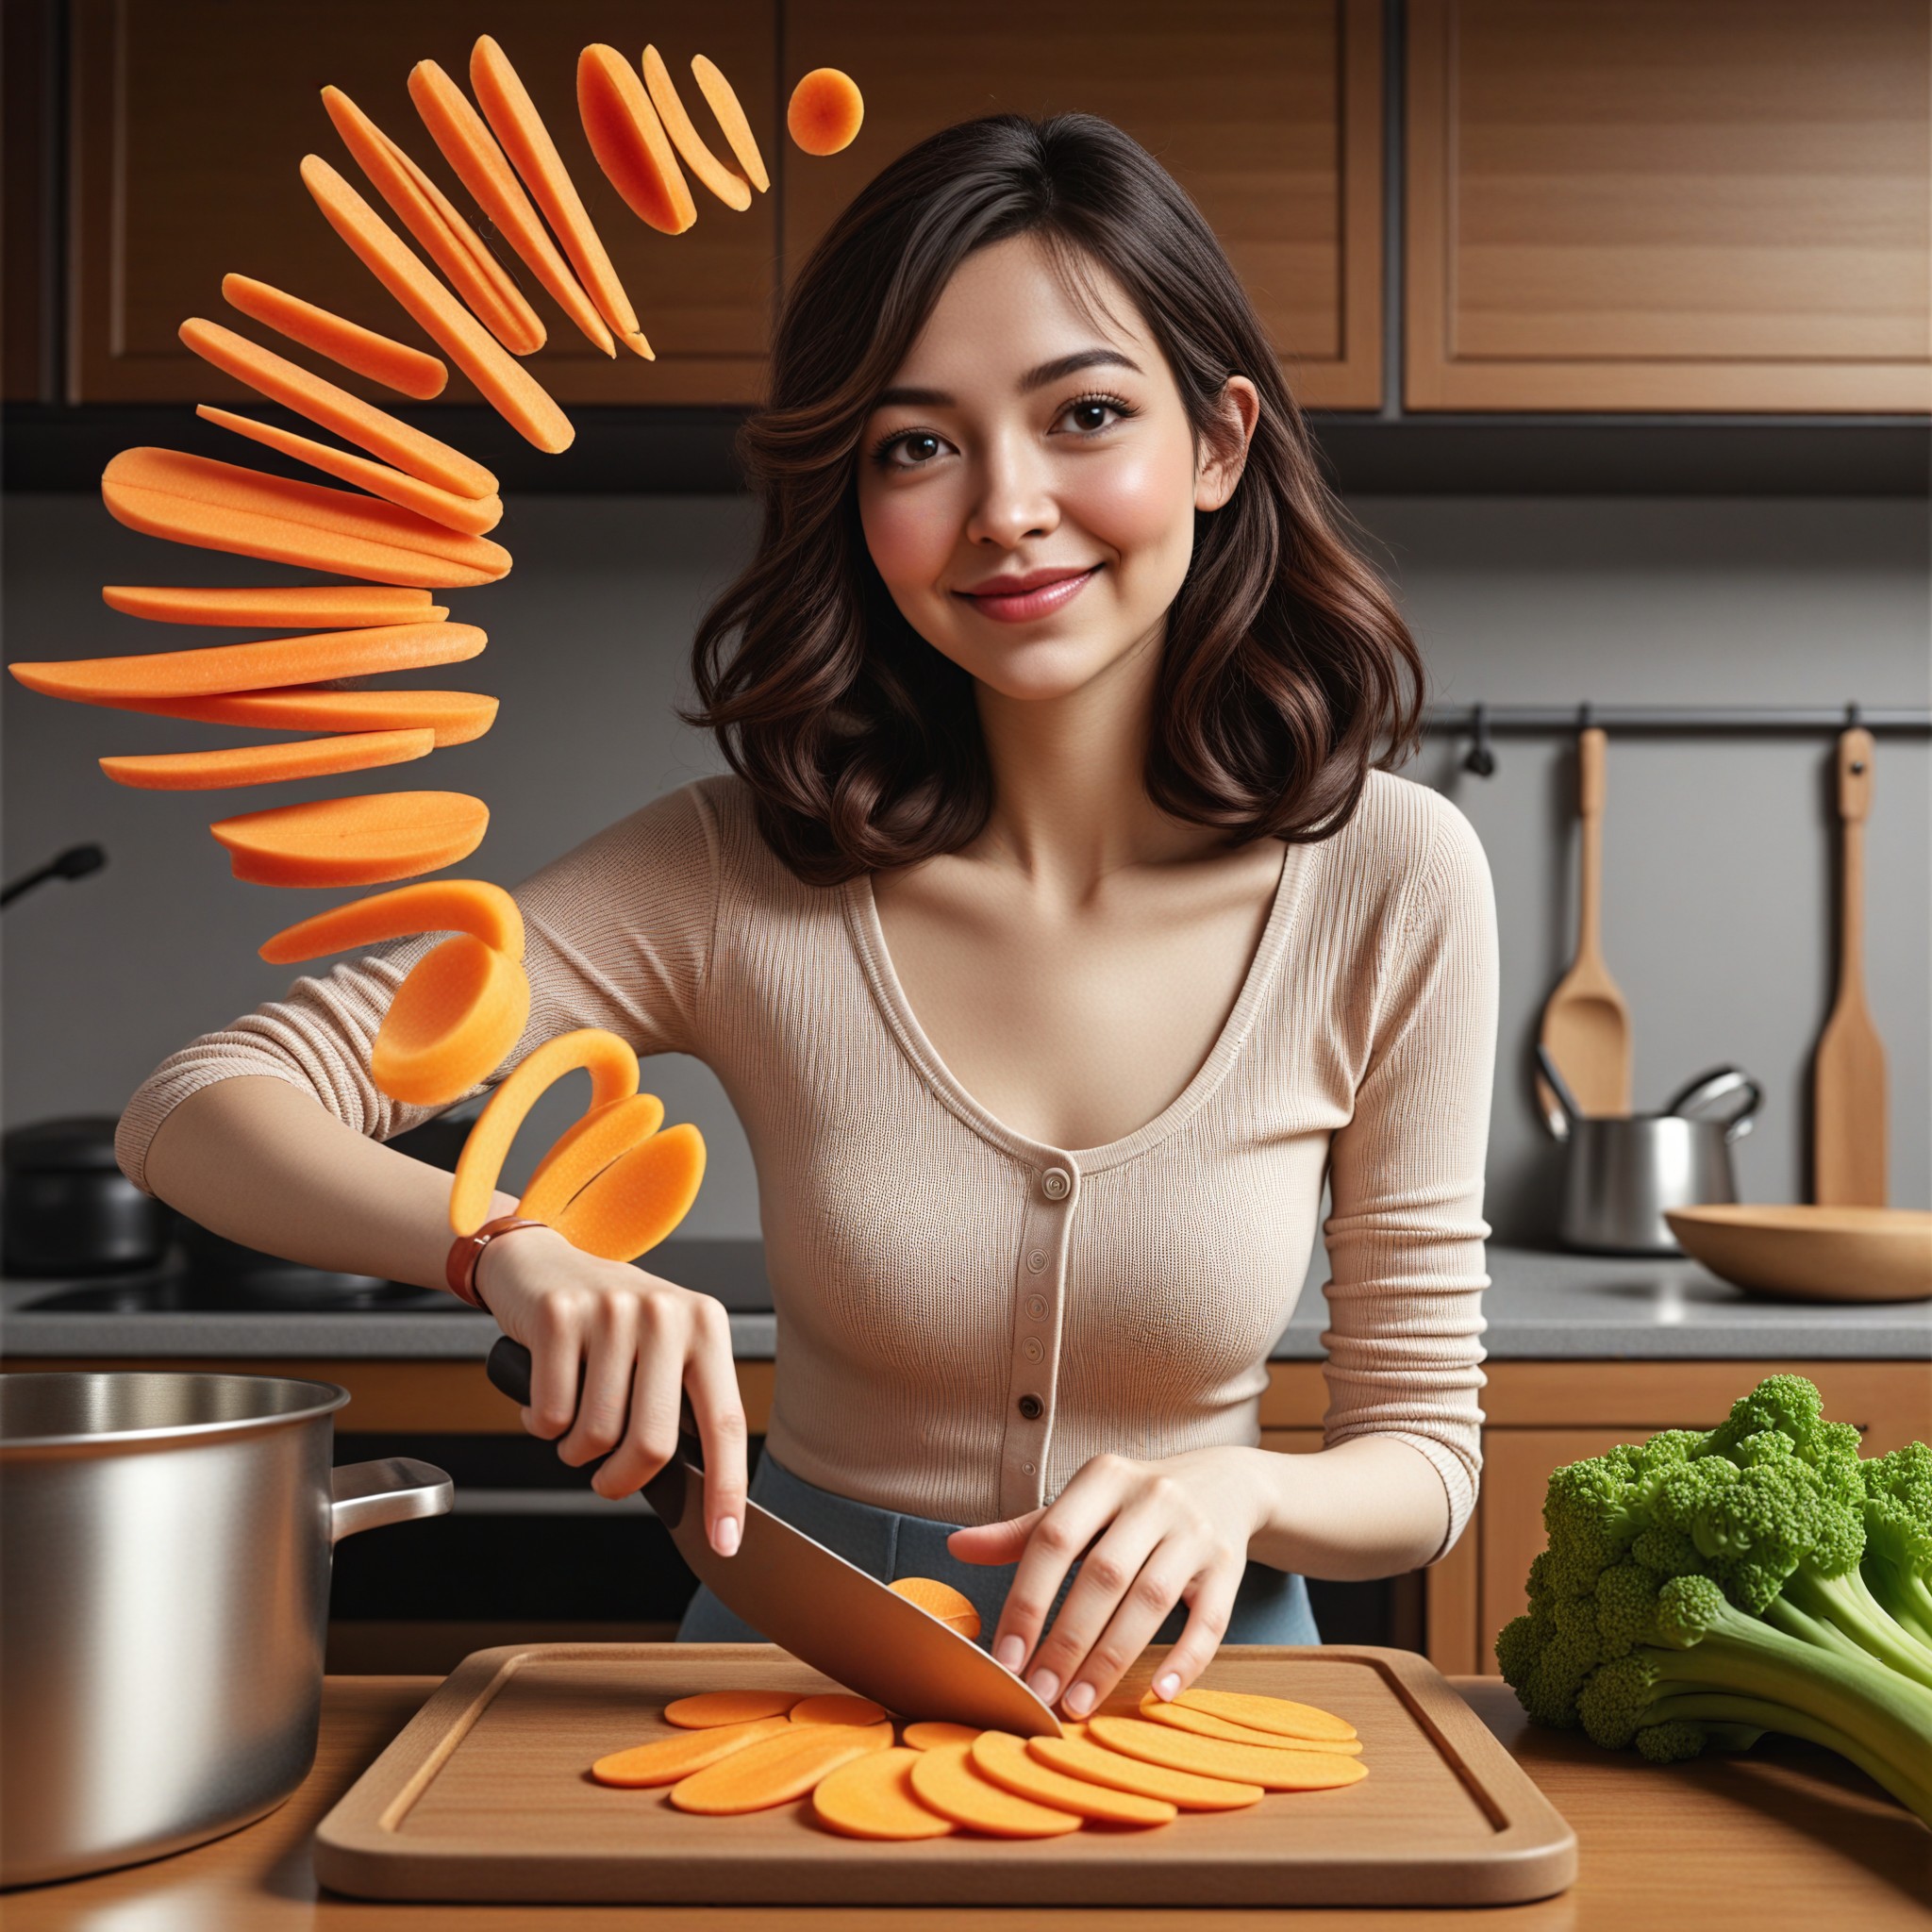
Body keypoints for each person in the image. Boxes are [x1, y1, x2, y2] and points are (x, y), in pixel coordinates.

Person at [120, 112, 1498, 1724]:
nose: (1007, 508)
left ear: (1215, 443)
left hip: (1212, 1699)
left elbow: (1426, 1451)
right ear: (854, 495)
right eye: (918, 444)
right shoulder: (736, 870)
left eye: (1087, 417)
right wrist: (503, 1250)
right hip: (794, 1691)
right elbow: (200, 1105)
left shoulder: (1396, 879)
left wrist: (1243, 1497)